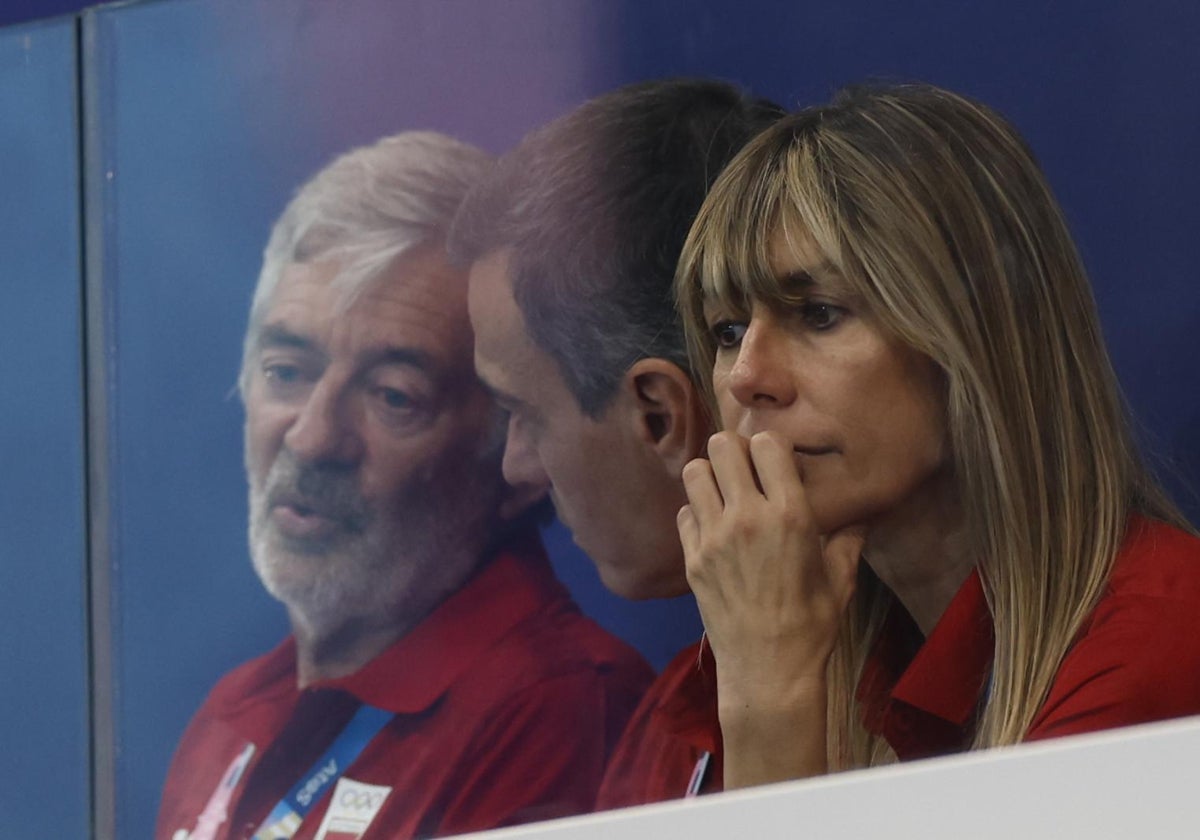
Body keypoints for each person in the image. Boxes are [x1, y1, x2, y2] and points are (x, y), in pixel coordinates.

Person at [673, 82, 1200, 788]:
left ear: (978, 340)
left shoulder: (1157, 639)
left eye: (820, 313)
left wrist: (769, 704)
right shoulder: (844, 650)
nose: (746, 377)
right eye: (727, 331)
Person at [156, 131, 653, 840]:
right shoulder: (228, 715)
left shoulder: (559, 711)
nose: (312, 437)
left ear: (516, 452)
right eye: (286, 371)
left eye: (393, 395)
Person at [448, 78, 783, 807]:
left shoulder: (1019, 699)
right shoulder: (670, 723)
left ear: (659, 415)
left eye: (523, 414)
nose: (515, 466)